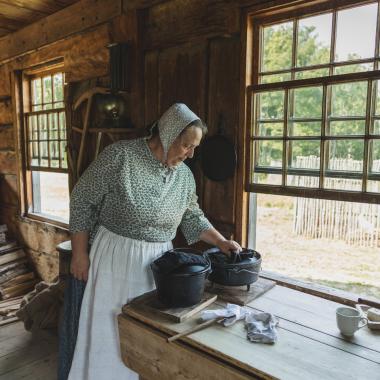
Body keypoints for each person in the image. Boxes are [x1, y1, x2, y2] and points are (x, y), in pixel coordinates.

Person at [63, 103, 242, 380]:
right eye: (186, 145)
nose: (190, 154)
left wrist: (220, 242)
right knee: (109, 327)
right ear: (168, 133)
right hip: (115, 256)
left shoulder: (184, 176)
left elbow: (192, 215)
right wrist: (79, 254)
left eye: (194, 147)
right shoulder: (120, 157)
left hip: (158, 266)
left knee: (146, 335)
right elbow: (82, 199)